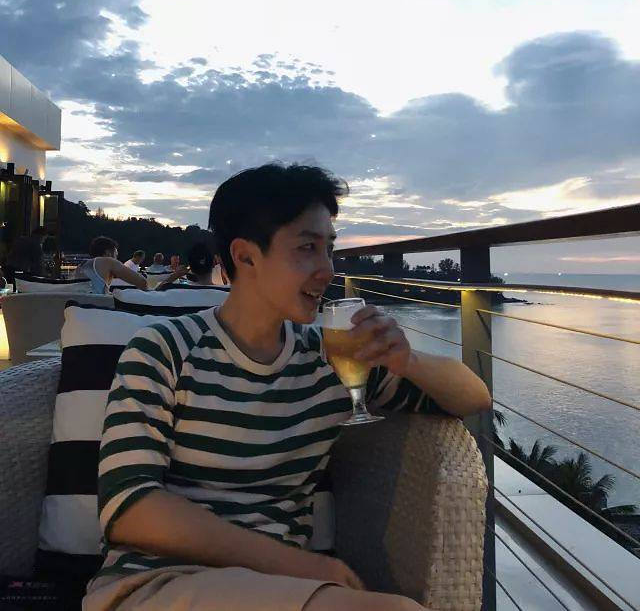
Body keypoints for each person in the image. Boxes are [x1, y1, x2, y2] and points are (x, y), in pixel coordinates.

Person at [84, 164, 491, 611]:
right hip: (159, 584)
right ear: (245, 257)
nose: (328, 269)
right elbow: (129, 508)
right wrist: (302, 566)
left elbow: (474, 397)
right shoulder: (164, 349)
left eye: (329, 249)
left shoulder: (333, 357)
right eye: (307, 248)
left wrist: (407, 360)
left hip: (286, 591)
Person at [77, 237, 148, 294]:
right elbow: (142, 282)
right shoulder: (108, 261)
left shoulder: (81, 266)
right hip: (94, 305)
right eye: (116, 254)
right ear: (108, 253)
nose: (116, 258)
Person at [156, 242, 222, 289]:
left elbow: (155, 293)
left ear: (190, 267)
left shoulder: (177, 292)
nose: (176, 261)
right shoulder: (225, 294)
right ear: (213, 263)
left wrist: (174, 276)